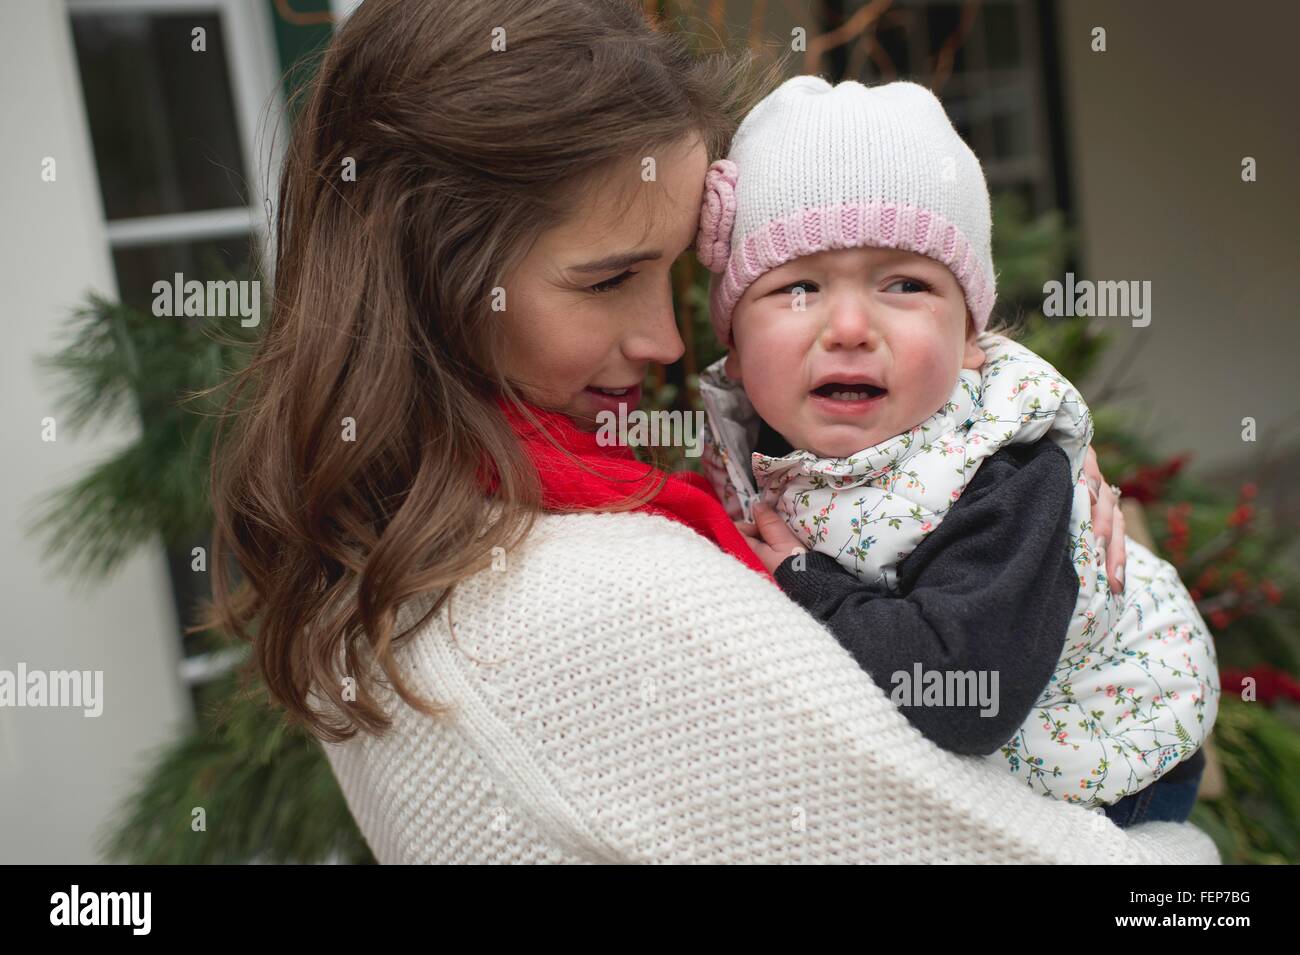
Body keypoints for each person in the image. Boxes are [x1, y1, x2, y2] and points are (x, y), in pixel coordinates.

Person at [206, 0, 1218, 862]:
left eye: (676, 278)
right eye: (608, 279)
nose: (662, 338)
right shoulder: (597, 604)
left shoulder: (383, 553)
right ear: (438, 271)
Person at [693, 77, 1218, 827]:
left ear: (970, 338)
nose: (848, 326)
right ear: (735, 345)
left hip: (1108, 760)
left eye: (904, 284)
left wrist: (811, 582)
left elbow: (963, 693)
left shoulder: (1001, 475)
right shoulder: (746, 435)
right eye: (799, 287)